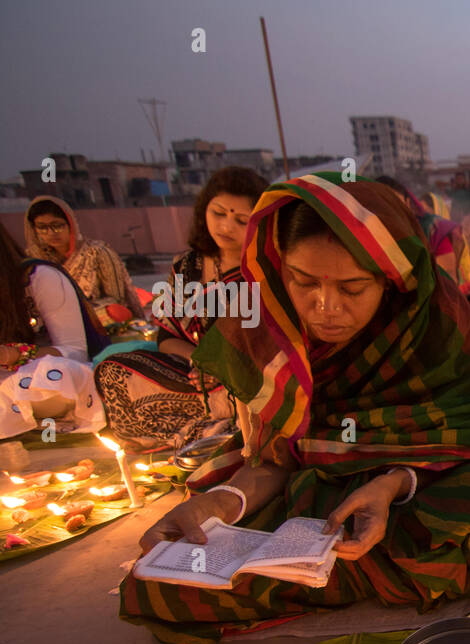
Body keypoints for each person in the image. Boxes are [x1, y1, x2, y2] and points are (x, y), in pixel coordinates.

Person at [119, 174, 470, 644]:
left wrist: (393, 483)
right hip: (313, 495)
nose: (325, 307)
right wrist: (222, 503)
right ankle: (375, 570)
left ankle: (336, 574)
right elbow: (275, 458)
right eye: (304, 281)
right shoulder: (263, 324)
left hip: (424, 482)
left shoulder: (433, 318)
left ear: (391, 278)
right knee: (164, 580)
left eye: (352, 288)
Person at [94, 166, 269, 452]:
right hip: (192, 375)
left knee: (251, 396)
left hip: (247, 378)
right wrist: (200, 360)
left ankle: (223, 429)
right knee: (114, 371)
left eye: (240, 220)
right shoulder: (185, 266)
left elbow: (269, 344)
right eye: (219, 213)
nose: (225, 227)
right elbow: (165, 337)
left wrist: (223, 368)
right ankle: (210, 426)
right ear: (204, 210)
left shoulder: (264, 269)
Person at [0, 223, 109, 439]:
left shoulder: (39, 277)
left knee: (54, 374)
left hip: (44, 380)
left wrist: (15, 354)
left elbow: (75, 352)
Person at [24, 196, 145, 325]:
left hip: (95, 320)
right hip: (52, 323)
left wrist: (75, 311)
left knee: (114, 311)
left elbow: (116, 299)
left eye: (57, 226)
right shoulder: (34, 260)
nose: (51, 233)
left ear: (70, 224)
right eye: (42, 227)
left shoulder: (97, 252)